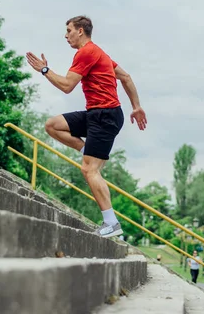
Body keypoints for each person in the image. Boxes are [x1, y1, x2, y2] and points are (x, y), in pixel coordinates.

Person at [26, 15, 147, 239]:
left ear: (80, 31)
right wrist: (136, 107)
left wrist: (45, 70)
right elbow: (126, 77)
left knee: (89, 170)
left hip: (105, 116)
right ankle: (87, 151)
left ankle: (111, 223)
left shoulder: (87, 52)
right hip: (95, 113)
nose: (66, 35)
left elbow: (67, 85)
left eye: (69, 30)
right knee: (53, 125)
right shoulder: (99, 54)